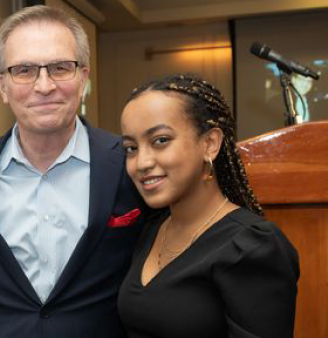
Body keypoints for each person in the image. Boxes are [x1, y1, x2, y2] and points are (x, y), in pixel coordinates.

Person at [0, 5, 147, 338]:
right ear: (2, 86)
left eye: (60, 67)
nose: (44, 86)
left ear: (83, 77)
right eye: (24, 70)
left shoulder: (131, 164)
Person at [117, 74, 299, 338]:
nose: (141, 162)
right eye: (131, 148)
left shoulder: (252, 246)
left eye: (160, 140)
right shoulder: (153, 229)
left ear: (210, 144)